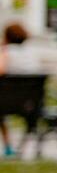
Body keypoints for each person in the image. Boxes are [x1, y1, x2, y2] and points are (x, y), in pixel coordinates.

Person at [0, 21, 40, 158]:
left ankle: (8, 147)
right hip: (29, 104)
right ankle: (18, 148)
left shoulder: (6, 52)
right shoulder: (31, 55)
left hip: (6, 103)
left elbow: (1, 69)